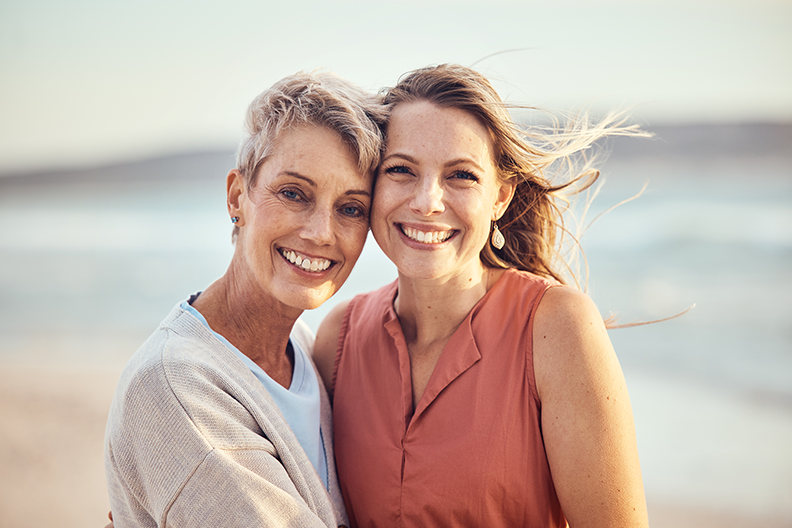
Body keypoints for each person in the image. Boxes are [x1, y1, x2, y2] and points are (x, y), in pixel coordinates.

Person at [314, 64, 650, 527]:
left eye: (462, 176)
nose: (427, 201)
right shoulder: (339, 337)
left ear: (500, 197)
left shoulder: (556, 327)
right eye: (401, 170)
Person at [104, 71, 385, 527]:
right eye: (294, 193)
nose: (320, 233)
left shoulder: (304, 351)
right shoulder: (174, 384)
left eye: (351, 208)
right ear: (238, 195)